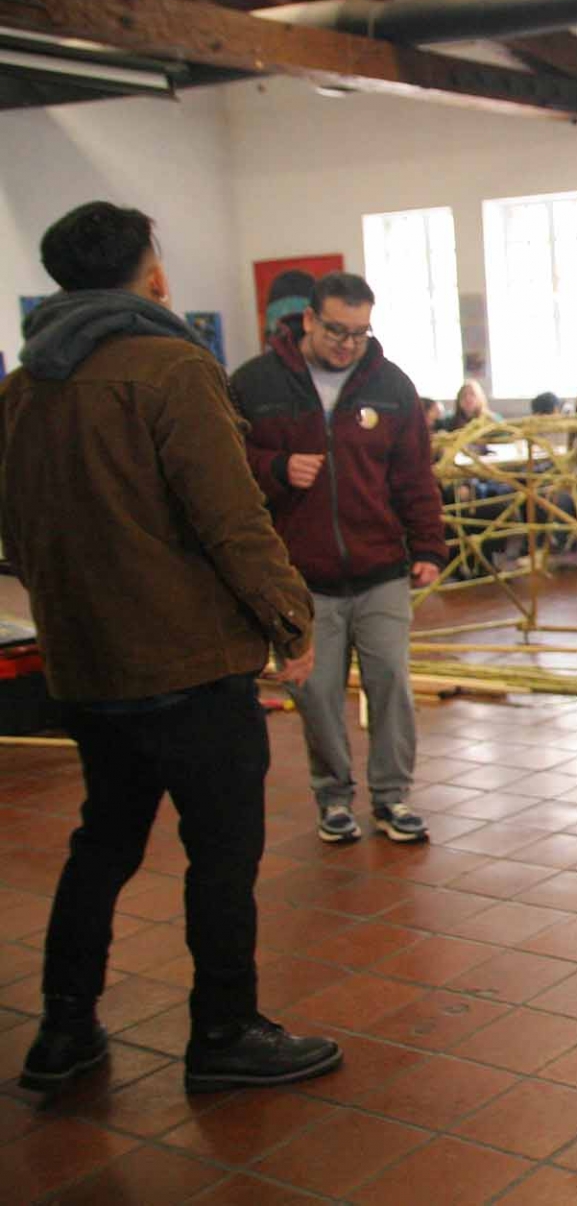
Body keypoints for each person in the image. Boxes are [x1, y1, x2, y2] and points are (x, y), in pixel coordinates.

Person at [1, 201, 341, 1094]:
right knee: (222, 856)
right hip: (189, 666)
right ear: (149, 273)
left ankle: (63, 1032)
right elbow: (231, 519)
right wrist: (290, 621)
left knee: (102, 843)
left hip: (84, 667)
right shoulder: (171, 370)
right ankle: (224, 1031)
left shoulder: (25, 385)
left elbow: (14, 529)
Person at [230, 272, 446, 845]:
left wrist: (428, 544)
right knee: (317, 693)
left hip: (380, 569)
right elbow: (222, 462)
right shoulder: (255, 384)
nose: (347, 343)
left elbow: (414, 476)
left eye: (359, 332)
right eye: (335, 330)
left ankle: (393, 797)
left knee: (391, 683)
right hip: (301, 578)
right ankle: (333, 799)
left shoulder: (391, 386)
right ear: (307, 319)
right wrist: (277, 468)